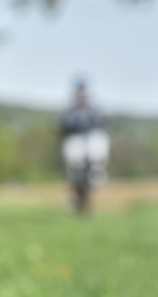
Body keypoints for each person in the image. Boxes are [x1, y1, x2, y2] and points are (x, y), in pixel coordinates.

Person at [59, 80, 110, 212]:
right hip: (75, 141)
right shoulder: (69, 112)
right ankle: (77, 196)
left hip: (90, 142)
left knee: (93, 171)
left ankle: (93, 175)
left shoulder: (95, 111)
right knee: (76, 173)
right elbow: (62, 127)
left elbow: (102, 125)